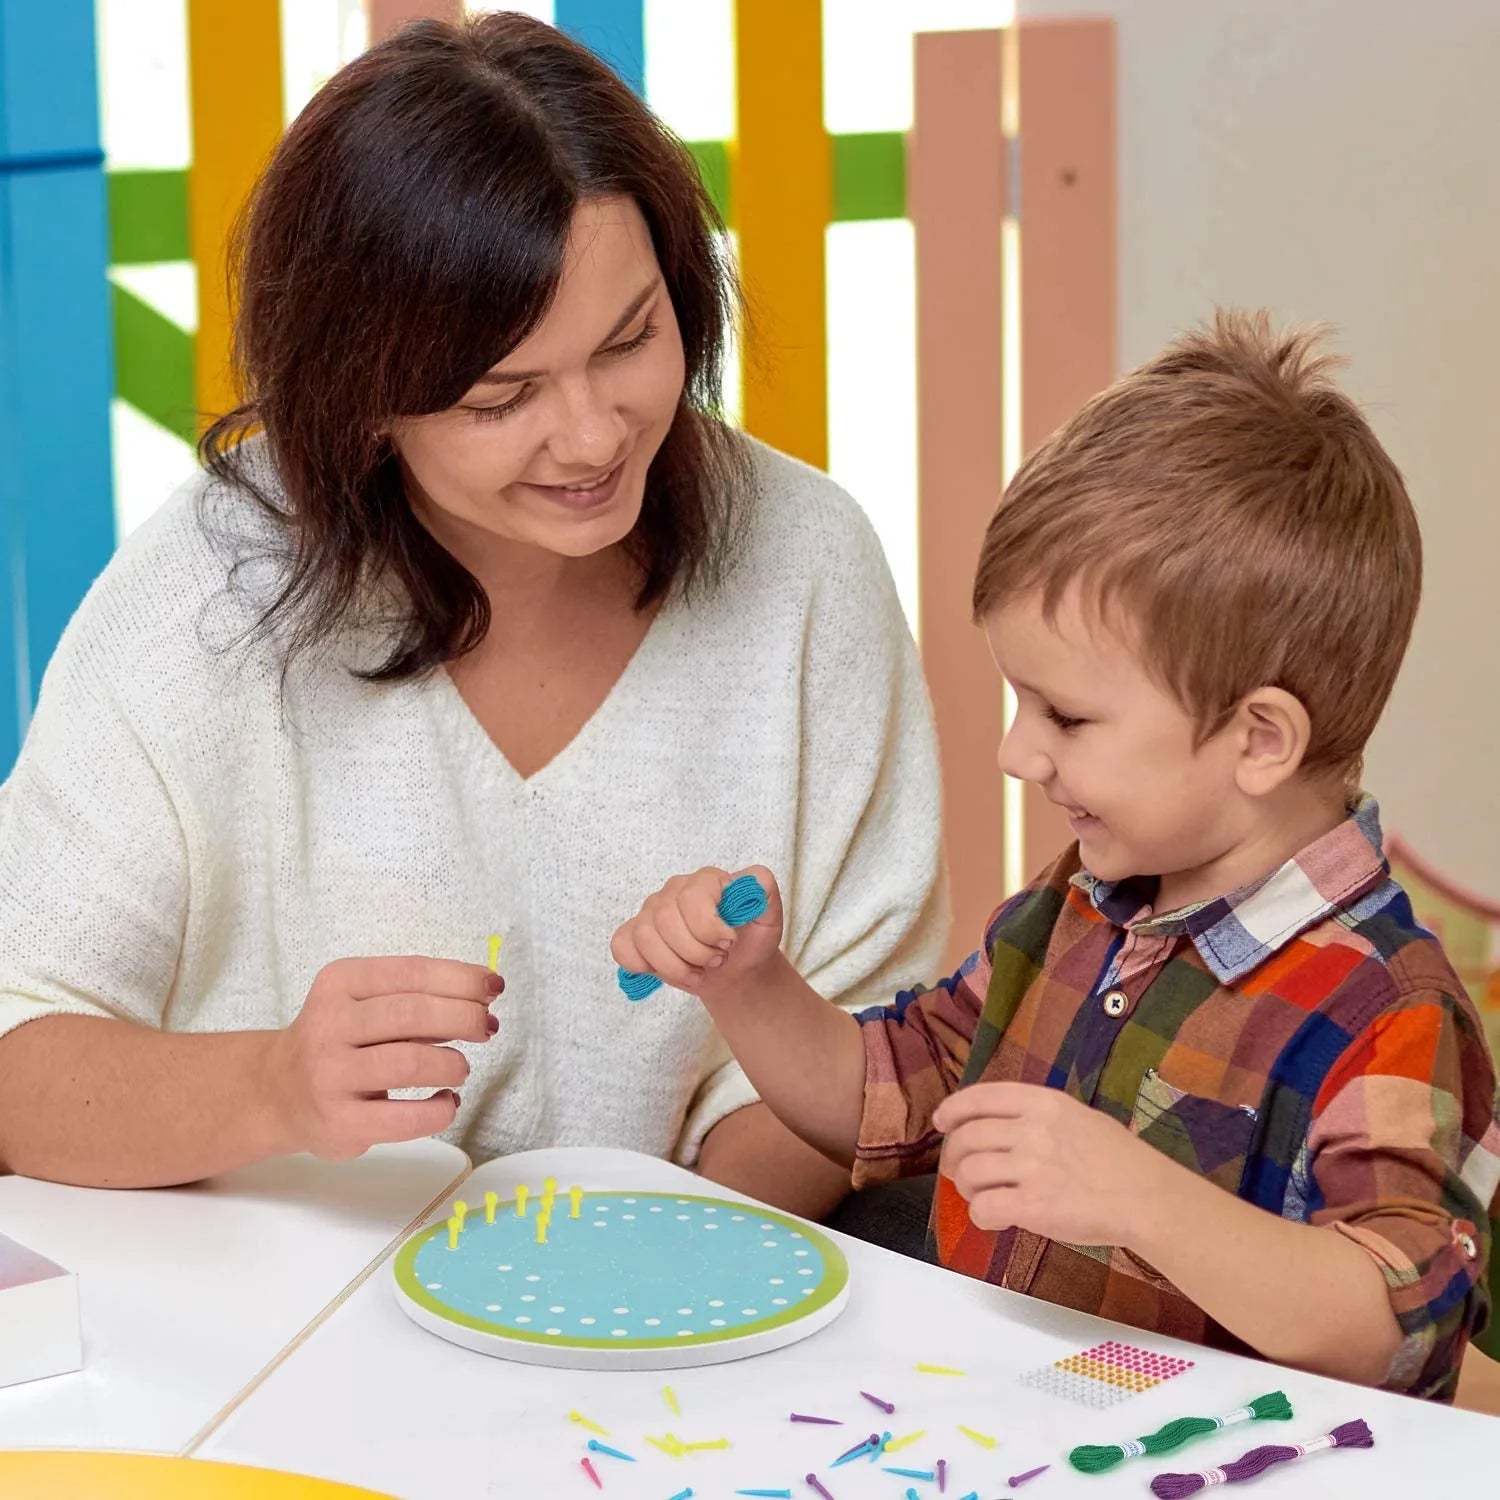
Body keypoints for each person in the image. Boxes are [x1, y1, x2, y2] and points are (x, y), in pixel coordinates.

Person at [0, 13, 946, 1211]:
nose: (595, 438)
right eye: (502, 397)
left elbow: (872, 1067)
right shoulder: (206, 594)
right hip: (275, 1333)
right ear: (358, 397)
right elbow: (18, 1054)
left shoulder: (806, 561)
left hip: (675, 1339)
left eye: (630, 340)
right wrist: (276, 1089)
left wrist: (642, 1272)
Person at [613, 311, 1500, 1400]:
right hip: (1017, 1429)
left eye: (1066, 718)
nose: (1014, 751)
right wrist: (747, 986)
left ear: (1260, 739)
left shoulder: (1389, 1009)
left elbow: (1402, 1329)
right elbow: (888, 1098)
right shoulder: (1081, 906)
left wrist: (1138, 1197)